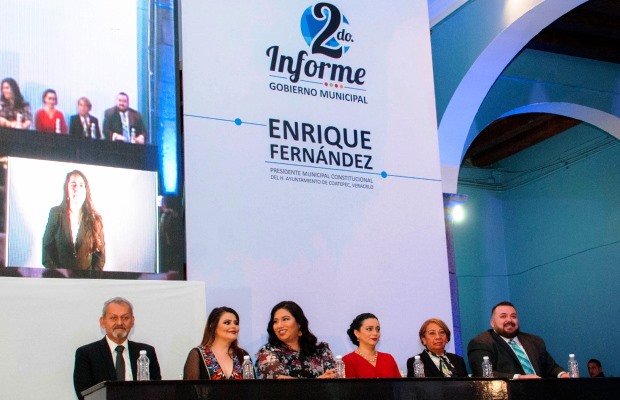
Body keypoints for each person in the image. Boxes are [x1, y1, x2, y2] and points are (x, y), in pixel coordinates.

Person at [73, 297, 161, 400]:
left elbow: (157, 391)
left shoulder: (147, 352)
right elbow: (84, 395)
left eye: (125, 318)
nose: (119, 323)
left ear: (132, 321)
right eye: (113, 318)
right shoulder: (86, 354)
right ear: (102, 322)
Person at [467, 301, 569, 379]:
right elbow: (484, 374)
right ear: (492, 323)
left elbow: (551, 367)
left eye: (513, 316)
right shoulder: (481, 343)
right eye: (503, 316)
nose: (509, 320)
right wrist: (518, 378)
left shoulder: (534, 341)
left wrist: (562, 374)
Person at [255, 300, 336, 379]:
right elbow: (280, 383)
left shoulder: (321, 350)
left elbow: (333, 377)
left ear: (299, 323)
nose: (279, 326)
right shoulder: (267, 351)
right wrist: (317, 382)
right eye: (275, 321)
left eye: (285, 319)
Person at [42, 170, 105, 270]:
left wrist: (92, 277)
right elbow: (47, 251)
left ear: (86, 191)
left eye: (81, 185)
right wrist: (57, 275)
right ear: (66, 190)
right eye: (73, 185)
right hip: (59, 278)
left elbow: (100, 258)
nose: (77, 189)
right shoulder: (55, 214)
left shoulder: (95, 219)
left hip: (87, 279)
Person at [183, 307, 249, 380]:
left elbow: (253, 386)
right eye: (227, 323)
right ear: (213, 326)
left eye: (236, 323)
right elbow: (189, 386)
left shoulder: (242, 355)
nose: (234, 326)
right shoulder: (197, 354)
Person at [342, 313, 401, 378]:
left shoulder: (388, 359)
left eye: (378, 329)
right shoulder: (348, 361)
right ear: (357, 333)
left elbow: (399, 384)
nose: (375, 333)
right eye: (369, 329)